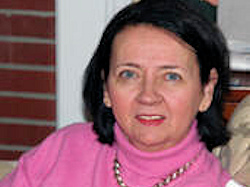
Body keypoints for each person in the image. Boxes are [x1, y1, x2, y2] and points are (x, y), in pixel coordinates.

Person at [0, 0, 245, 186]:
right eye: (129, 74)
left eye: (171, 76)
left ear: (206, 90)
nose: (148, 96)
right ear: (106, 87)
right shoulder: (61, 150)